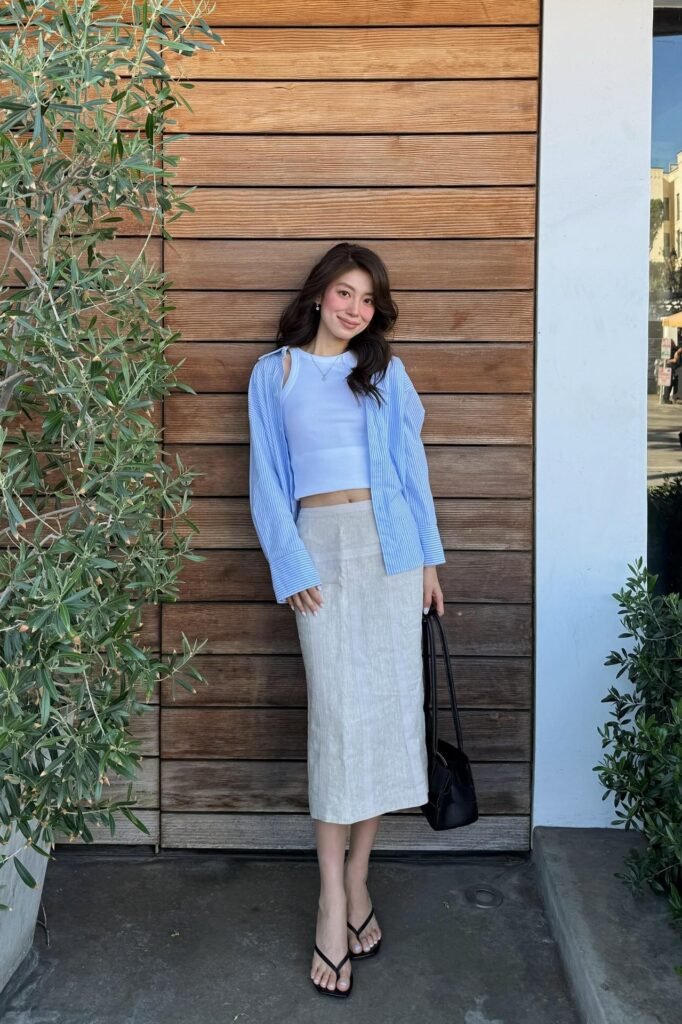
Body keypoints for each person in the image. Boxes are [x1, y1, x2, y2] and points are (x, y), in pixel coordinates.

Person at [247, 242, 446, 998]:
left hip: (389, 553)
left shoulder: (385, 373)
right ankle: (333, 899)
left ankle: (359, 881)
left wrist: (428, 564)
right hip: (319, 553)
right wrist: (290, 564)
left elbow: (410, 471)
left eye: (367, 299)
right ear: (320, 295)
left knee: (385, 722)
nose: (354, 308)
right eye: (344, 293)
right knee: (337, 725)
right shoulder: (276, 374)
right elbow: (265, 477)